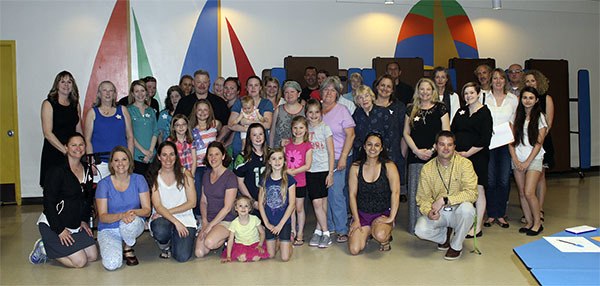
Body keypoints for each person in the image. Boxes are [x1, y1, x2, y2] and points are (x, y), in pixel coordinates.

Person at [30, 133, 98, 267]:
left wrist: (83, 220)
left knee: (92, 256)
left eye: (81, 145)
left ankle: (58, 247)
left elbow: (87, 199)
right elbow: (48, 203)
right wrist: (60, 230)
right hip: (54, 224)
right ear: (66, 148)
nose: (78, 148)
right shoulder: (57, 171)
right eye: (73, 145)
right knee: (80, 262)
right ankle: (45, 248)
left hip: (74, 224)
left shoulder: (88, 169)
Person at [414, 131, 478, 260]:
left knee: (468, 209)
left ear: (454, 146)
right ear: (436, 146)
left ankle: (456, 246)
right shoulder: (427, 169)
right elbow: (422, 198)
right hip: (439, 212)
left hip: (458, 210)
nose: (446, 148)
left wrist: (446, 199)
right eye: (442, 144)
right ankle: (445, 237)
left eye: (449, 145)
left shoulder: (465, 164)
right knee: (420, 230)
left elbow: (472, 193)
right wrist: (429, 212)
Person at [403, 78, 450, 234]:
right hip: (415, 156)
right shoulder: (410, 109)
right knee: (416, 191)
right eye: (421, 89)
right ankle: (415, 226)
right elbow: (406, 133)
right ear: (418, 91)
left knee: (435, 191)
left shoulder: (440, 108)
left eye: (428, 89)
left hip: (436, 156)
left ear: (433, 91)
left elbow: (446, 134)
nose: (425, 92)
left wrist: (432, 150)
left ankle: (436, 226)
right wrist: (416, 151)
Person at [95, 146, 151, 270]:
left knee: (128, 225)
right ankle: (114, 245)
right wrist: (121, 215)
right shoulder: (103, 185)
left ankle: (127, 246)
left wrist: (129, 213)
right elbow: (103, 217)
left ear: (130, 161)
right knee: (112, 264)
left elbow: (147, 210)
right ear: (111, 164)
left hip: (132, 222)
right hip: (109, 228)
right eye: (116, 160)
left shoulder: (139, 180)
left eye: (124, 159)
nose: (120, 163)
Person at [451, 82, 493, 238]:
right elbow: (452, 131)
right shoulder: (461, 111)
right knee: (461, 189)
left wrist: (468, 153)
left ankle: (478, 226)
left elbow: (485, 139)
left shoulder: (485, 113)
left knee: (478, 189)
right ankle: (462, 223)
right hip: (459, 157)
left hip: (478, 156)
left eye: (471, 93)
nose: (468, 96)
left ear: (478, 93)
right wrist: (455, 151)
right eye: (466, 94)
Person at [347, 133, 400, 254]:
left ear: (381, 148)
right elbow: (352, 195)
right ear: (364, 147)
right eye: (369, 145)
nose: (372, 148)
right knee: (354, 250)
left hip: (382, 214)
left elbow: (396, 193)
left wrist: (391, 218)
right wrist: (356, 219)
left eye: (377, 145)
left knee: (381, 235)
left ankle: (384, 239)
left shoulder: (389, 166)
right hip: (362, 214)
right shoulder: (355, 167)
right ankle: (369, 232)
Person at [147, 141, 197, 262]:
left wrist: (172, 215)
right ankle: (165, 245)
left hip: (184, 217)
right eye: (164, 155)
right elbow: (158, 206)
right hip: (162, 218)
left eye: (172, 154)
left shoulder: (186, 174)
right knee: (160, 229)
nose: (168, 159)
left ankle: (177, 241)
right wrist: (176, 222)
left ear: (176, 156)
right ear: (158, 157)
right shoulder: (154, 176)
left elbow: (192, 202)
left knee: (182, 257)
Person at [481, 68, 518, 228]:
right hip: (488, 144)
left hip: (505, 144)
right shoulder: (484, 98)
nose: (497, 81)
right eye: (494, 78)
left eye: (501, 78)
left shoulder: (513, 99)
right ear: (491, 80)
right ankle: (491, 214)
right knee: (489, 179)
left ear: (505, 81)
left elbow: (515, 122)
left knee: (503, 180)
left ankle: (501, 214)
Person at [321, 76, 356, 243]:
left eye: (332, 90)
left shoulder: (342, 110)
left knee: (336, 194)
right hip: (320, 160)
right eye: (326, 90)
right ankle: (330, 226)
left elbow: (351, 135)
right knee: (324, 195)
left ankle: (342, 229)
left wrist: (343, 157)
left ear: (337, 94)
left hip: (337, 158)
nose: (328, 93)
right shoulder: (316, 110)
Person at [509, 87, 547, 236]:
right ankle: (529, 222)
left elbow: (539, 143)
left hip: (534, 158)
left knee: (530, 192)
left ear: (536, 100)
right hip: (517, 158)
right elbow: (510, 140)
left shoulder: (540, 117)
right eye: (525, 97)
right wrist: (515, 159)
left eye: (531, 98)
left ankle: (538, 223)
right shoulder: (516, 115)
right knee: (522, 192)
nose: (527, 100)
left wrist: (527, 162)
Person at [194, 142, 238, 257]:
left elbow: (227, 208)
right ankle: (218, 236)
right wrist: (204, 221)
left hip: (226, 219)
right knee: (199, 253)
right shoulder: (206, 175)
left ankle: (231, 237)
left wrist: (210, 226)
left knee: (209, 242)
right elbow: (203, 201)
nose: (213, 158)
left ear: (223, 156)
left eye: (217, 154)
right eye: (210, 155)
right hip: (209, 218)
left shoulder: (230, 177)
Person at [84, 80, 134, 180]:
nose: (107, 93)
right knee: (100, 194)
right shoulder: (92, 113)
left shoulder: (123, 110)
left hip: (121, 163)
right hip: (100, 163)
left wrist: (130, 160)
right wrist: (91, 163)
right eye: (104, 90)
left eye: (111, 90)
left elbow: (130, 137)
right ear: (99, 94)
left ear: (115, 94)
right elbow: (87, 140)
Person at [40, 71, 82, 187]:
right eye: (62, 81)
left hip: (73, 151)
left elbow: (79, 130)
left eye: (69, 82)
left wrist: (80, 149)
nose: (66, 85)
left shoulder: (76, 104)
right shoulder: (48, 104)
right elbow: (47, 133)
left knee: (73, 187)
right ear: (57, 85)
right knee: (53, 187)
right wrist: (65, 151)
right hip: (54, 151)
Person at [524, 70, 554, 223]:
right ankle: (530, 211)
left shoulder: (546, 98)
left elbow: (548, 124)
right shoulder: (523, 100)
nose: (530, 84)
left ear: (539, 82)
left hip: (541, 142)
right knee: (528, 181)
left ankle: (539, 209)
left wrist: (537, 142)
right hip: (525, 145)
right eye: (527, 81)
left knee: (540, 177)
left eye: (533, 81)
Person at [372, 75, 407, 201]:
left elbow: (404, 132)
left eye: (389, 86)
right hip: (373, 154)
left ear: (392, 90)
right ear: (377, 87)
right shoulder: (368, 106)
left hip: (394, 153)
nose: (385, 89)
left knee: (392, 190)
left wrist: (402, 154)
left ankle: (390, 218)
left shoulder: (399, 107)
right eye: (382, 85)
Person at [258, 147, 297, 262]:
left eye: (280, 158)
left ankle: (287, 241)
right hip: (270, 221)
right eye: (274, 159)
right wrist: (267, 224)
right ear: (269, 161)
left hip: (283, 222)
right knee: (270, 255)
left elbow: (292, 204)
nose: (277, 162)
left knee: (285, 258)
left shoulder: (289, 180)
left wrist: (280, 225)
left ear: (284, 161)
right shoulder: (264, 180)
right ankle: (278, 242)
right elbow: (260, 204)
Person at [305, 99, 334, 248]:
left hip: (323, 170)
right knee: (317, 202)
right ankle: (320, 230)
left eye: (317, 112)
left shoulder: (325, 128)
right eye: (310, 112)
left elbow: (331, 152)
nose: (314, 115)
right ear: (306, 114)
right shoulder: (304, 129)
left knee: (321, 202)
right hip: (310, 169)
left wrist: (330, 173)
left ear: (321, 113)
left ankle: (325, 233)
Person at [189, 99, 222, 218]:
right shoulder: (191, 129)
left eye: (205, 110)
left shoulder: (215, 124)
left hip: (213, 165)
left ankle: (213, 215)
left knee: (213, 190)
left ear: (209, 111)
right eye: (199, 110)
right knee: (198, 190)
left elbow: (228, 128)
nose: (202, 112)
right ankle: (198, 216)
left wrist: (221, 142)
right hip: (197, 165)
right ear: (195, 112)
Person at [227, 76, 274, 157]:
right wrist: (246, 129)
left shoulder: (266, 103)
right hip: (240, 144)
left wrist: (248, 122)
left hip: (260, 147)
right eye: (250, 85)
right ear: (246, 88)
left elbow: (267, 125)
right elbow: (231, 124)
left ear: (260, 88)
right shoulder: (239, 102)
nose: (253, 88)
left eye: (256, 85)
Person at [284, 116, 313, 247]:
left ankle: (300, 233)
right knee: (290, 207)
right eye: (295, 127)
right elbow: (283, 161)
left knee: (299, 208)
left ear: (306, 129)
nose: (298, 130)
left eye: (301, 127)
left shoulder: (308, 146)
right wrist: (287, 171)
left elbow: (307, 165)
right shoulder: (287, 144)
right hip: (288, 182)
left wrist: (293, 172)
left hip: (300, 181)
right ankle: (292, 231)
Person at [221, 196, 270, 262]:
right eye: (240, 206)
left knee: (256, 258)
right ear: (236, 208)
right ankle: (244, 254)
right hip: (240, 245)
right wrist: (228, 256)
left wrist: (260, 245)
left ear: (249, 208)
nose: (243, 208)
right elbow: (230, 240)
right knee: (242, 258)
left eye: (246, 206)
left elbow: (262, 233)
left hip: (255, 243)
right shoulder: (234, 223)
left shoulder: (255, 219)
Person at [127, 80, 159, 175]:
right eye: (137, 91)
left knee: (152, 186)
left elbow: (155, 132)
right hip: (136, 155)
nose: (140, 94)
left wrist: (150, 151)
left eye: (142, 90)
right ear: (132, 93)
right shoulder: (128, 110)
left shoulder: (151, 110)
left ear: (146, 92)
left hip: (152, 156)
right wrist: (143, 151)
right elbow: (129, 134)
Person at [234, 123, 269, 211]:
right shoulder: (242, 157)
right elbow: (240, 183)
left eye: (260, 134)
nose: (258, 137)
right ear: (249, 137)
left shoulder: (271, 154)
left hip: (270, 201)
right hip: (251, 202)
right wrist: (252, 201)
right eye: (254, 135)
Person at [270, 80, 304, 148]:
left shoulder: (305, 111)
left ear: (299, 94)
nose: (289, 95)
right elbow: (272, 131)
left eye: (292, 92)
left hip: (299, 150)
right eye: (286, 92)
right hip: (279, 151)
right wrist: (270, 148)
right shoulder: (278, 110)